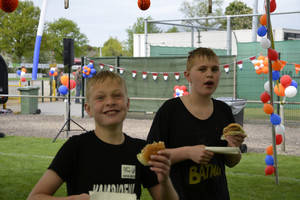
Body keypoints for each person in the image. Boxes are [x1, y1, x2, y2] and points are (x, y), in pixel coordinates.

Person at [27, 70, 178, 200]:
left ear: (127, 104)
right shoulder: (75, 148)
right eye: (100, 98)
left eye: (117, 95)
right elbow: (34, 197)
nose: (110, 102)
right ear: (88, 109)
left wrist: (165, 181)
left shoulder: (140, 150)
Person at [146, 47, 246, 200]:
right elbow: (151, 156)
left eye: (214, 69)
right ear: (188, 76)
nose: (209, 74)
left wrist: (233, 147)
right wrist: (187, 152)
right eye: (202, 69)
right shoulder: (170, 110)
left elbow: (232, 162)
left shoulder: (223, 110)